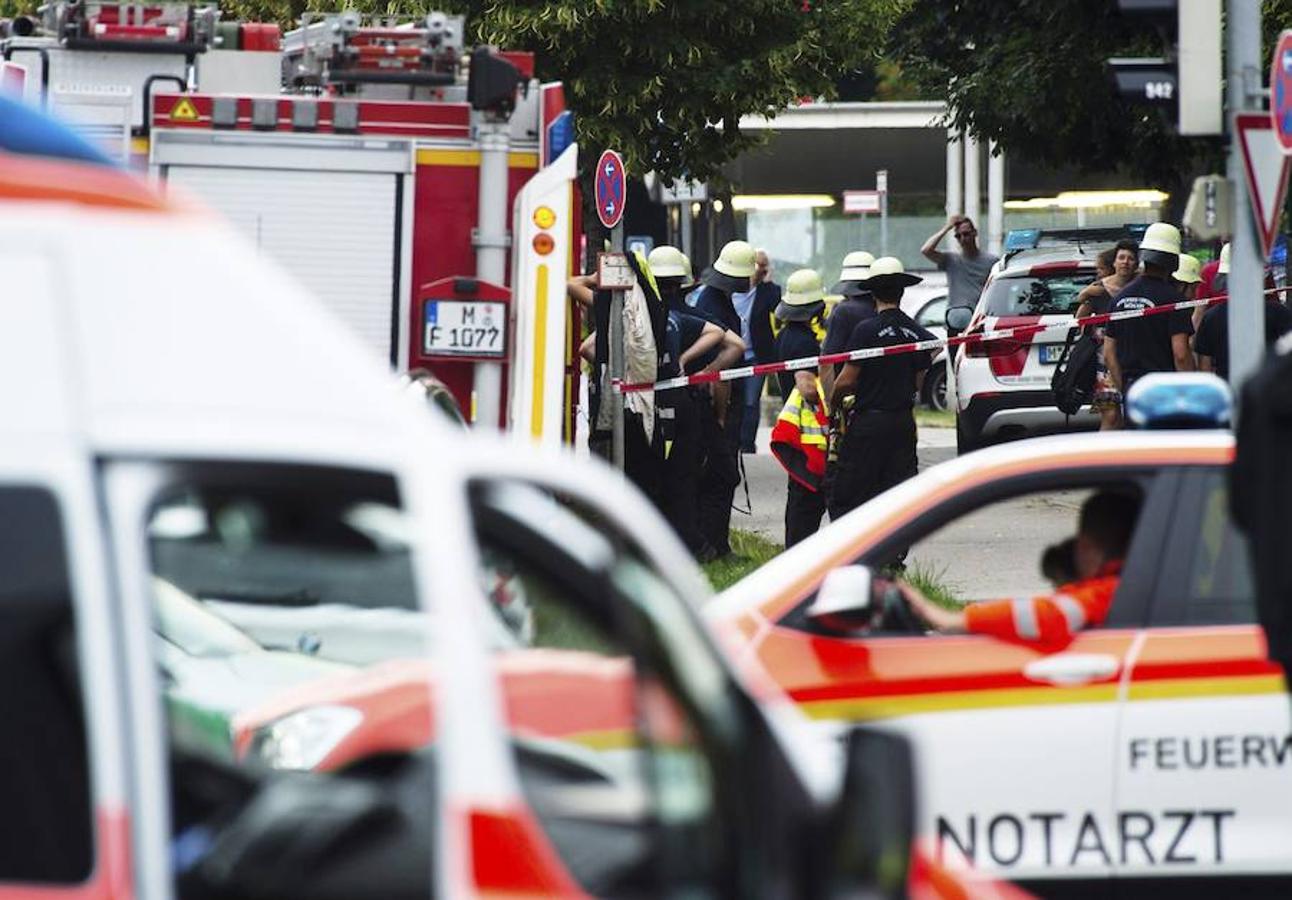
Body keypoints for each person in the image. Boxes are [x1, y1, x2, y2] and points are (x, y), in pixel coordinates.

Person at [898, 490, 1141, 646]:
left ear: (1086, 547)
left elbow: (1053, 615)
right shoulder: (1140, 582)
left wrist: (950, 619)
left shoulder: (1114, 591)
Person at [648, 245, 742, 558]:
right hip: (692, 407)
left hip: (645, 406)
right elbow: (735, 346)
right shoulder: (694, 316)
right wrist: (700, 370)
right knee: (706, 475)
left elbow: (589, 347)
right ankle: (703, 544)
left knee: (662, 476)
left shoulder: (637, 317)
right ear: (685, 283)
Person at [826, 257, 935, 521]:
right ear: (902, 291)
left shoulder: (866, 330)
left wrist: (835, 403)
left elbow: (847, 380)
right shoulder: (916, 332)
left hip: (869, 424)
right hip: (902, 422)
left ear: (872, 293)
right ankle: (895, 553)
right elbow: (920, 382)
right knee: (899, 490)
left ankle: (855, 547)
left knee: (851, 488)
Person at [693, 240, 756, 559]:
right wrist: (721, 414)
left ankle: (715, 544)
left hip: (724, 402)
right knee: (722, 474)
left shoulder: (715, 299)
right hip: (721, 405)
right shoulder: (714, 306)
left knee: (720, 474)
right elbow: (721, 368)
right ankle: (715, 546)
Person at [1104, 222, 1195, 412]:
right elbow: (1181, 354)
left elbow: (1109, 352)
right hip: (1166, 391)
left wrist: (1125, 390)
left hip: (1133, 389)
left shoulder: (1119, 299)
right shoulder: (1174, 301)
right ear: (1173, 260)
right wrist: (1189, 392)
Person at [769, 269, 829, 547]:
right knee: (807, 499)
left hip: (798, 432)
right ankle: (800, 557)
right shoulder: (804, 342)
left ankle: (794, 551)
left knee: (798, 496)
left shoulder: (784, 336)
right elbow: (806, 385)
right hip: (809, 434)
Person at [1075, 240, 1140, 431]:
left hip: (1134, 360)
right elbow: (1080, 319)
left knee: (1132, 418)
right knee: (1111, 416)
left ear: (1136, 263)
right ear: (1114, 262)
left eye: (1130, 259)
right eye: (1121, 258)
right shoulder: (1098, 289)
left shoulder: (1140, 285)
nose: (1125, 262)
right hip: (1105, 365)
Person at [1194, 265, 1292, 380]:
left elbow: (1205, 364)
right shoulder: (1277, 312)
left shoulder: (1211, 317)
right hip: (1266, 388)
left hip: (1228, 388)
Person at [921, 214, 999, 357]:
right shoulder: (951, 259)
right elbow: (926, 250)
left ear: (975, 233)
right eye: (958, 236)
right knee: (956, 367)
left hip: (979, 323)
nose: (963, 239)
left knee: (977, 366)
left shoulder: (991, 261)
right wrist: (947, 227)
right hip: (955, 324)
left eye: (966, 234)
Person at [732, 249, 781, 454]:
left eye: (764, 265)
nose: (760, 269)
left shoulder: (767, 291)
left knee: (751, 401)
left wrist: (768, 281)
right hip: (732, 354)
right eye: (757, 264)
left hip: (755, 356)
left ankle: (747, 444)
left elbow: (777, 309)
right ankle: (732, 441)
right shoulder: (731, 289)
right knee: (734, 400)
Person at [820, 250, 876, 399]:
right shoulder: (885, 309)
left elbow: (827, 362)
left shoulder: (843, 311)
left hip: (850, 396)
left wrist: (830, 403)